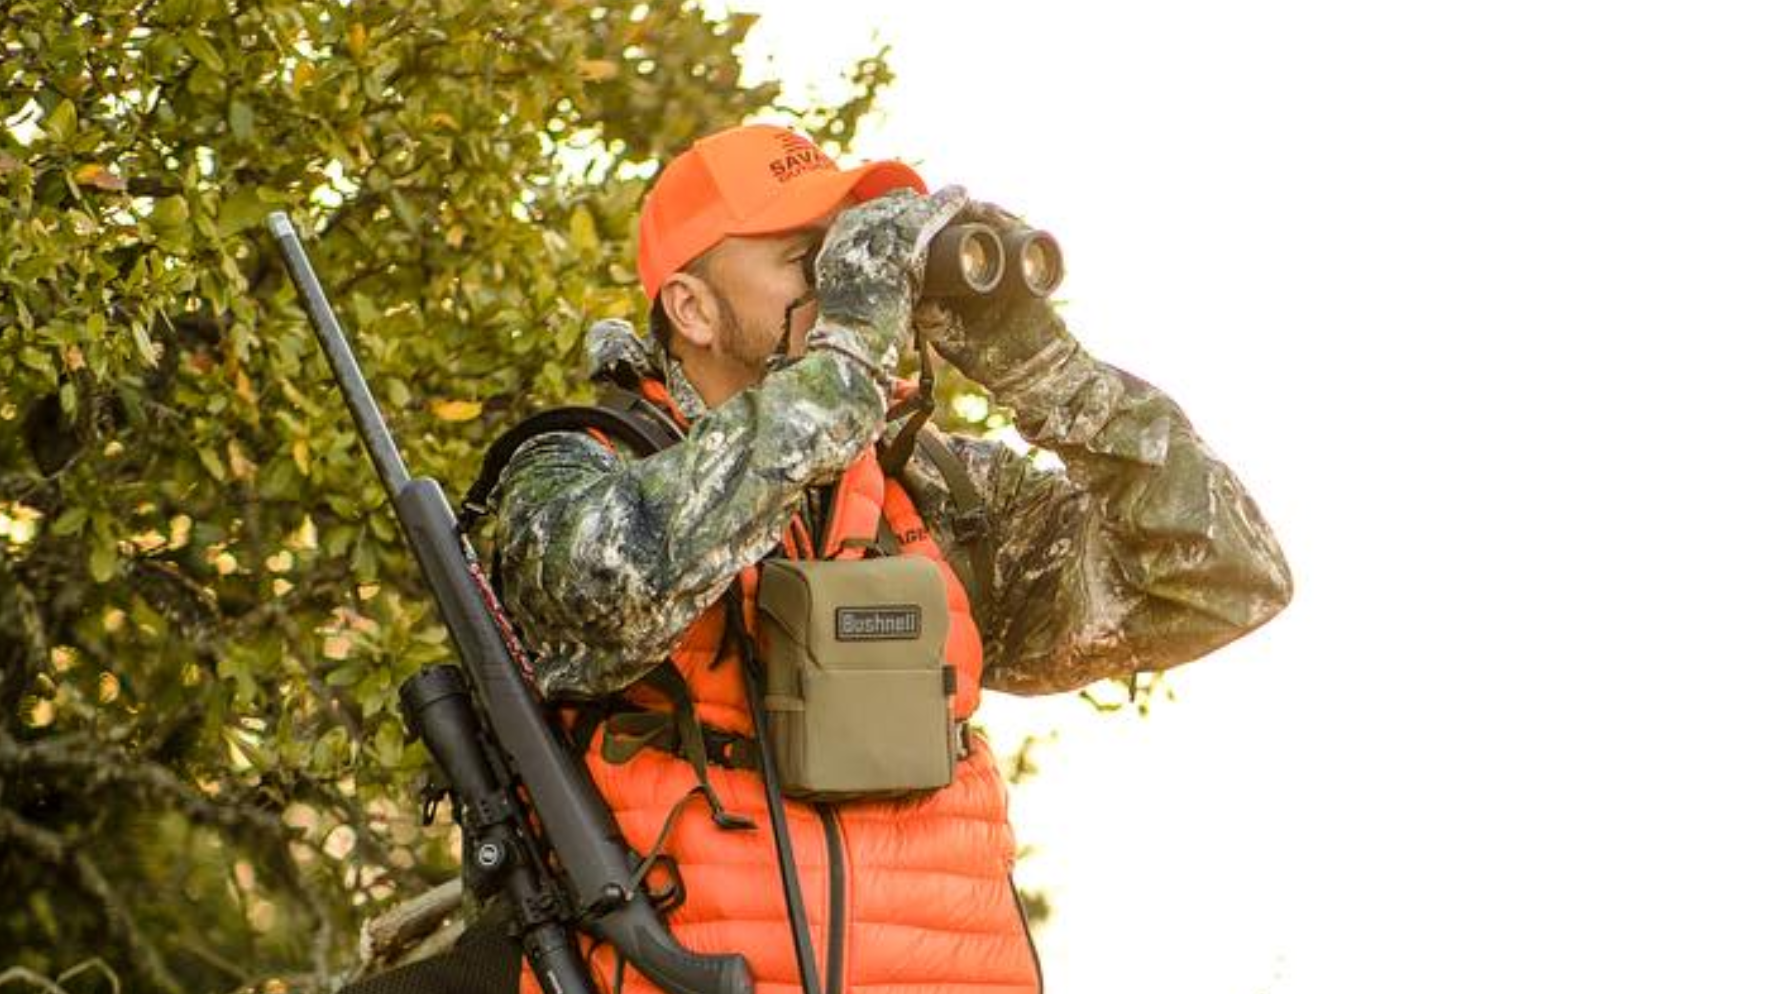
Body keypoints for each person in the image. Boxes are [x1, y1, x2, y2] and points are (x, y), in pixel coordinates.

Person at [491, 122, 1293, 994]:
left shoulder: (938, 490)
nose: (847, 283)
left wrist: (1047, 370)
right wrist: (845, 364)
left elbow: (1223, 578)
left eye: (857, 252)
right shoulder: (580, 469)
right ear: (693, 309)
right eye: (809, 259)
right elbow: (602, 597)